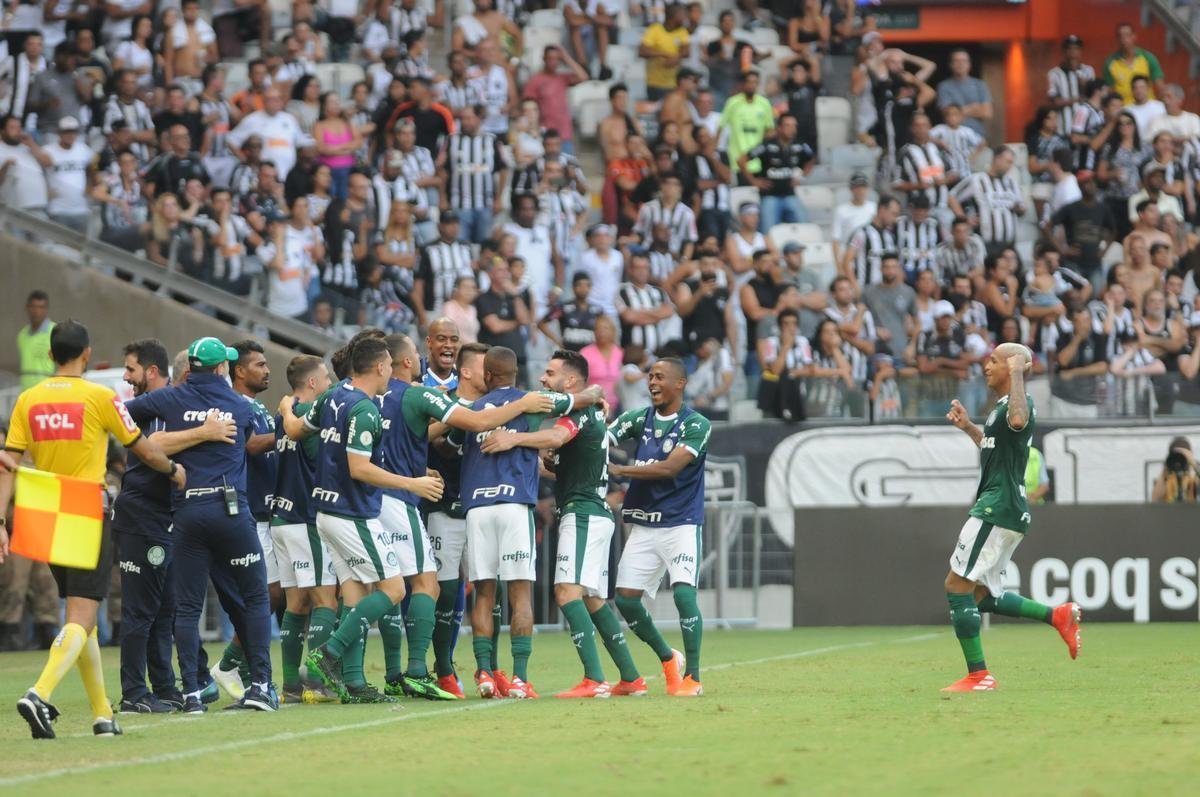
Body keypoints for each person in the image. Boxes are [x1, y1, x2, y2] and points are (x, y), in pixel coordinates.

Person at [4, 321, 184, 739]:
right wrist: (175, 469)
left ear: (50, 356)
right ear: (86, 354)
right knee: (84, 614)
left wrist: (0, 520)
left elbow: (8, 464)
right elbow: (143, 448)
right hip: (85, 509)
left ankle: (103, 714)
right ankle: (39, 693)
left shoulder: (27, 399)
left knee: (79, 615)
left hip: (43, 510)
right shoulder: (100, 397)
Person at [122, 337, 276, 714]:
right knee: (256, 596)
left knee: (187, 608)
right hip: (230, 511)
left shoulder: (170, 398)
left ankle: (191, 693)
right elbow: (267, 438)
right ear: (223, 368)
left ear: (190, 368)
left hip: (187, 514)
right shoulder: (240, 405)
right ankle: (260, 686)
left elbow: (120, 413)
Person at [480, 350, 646, 697]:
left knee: (566, 592)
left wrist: (513, 438)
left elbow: (555, 438)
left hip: (583, 513)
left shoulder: (581, 408)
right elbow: (559, 455)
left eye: (550, 372)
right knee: (592, 599)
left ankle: (594, 678)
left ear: (570, 381)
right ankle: (630, 677)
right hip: (592, 512)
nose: (543, 378)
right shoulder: (588, 409)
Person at [286, 336, 441, 704]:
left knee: (355, 593)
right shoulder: (365, 410)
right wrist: (412, 482)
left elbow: (295, 430)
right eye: (388, 364)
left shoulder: (332, 396)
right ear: (380, 367)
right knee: (395, 589)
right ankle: (327, 655)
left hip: (325, 512)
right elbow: (359, 468)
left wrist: (285, 407)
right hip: (352, 513)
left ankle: (354, 683)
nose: (391, 371)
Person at [941, 343, 1081, 692]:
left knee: (956, 586)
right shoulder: (1001, 408)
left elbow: (1019, 418)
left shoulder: (1020, 404)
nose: (986, 366)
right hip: (1006, 509)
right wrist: (970, 427)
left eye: (994, 361)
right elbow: (993, 445)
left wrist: (1019, 371)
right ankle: (1056, 615)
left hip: (996, 507)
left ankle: (979, 676)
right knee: (979, 595)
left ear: (1014, 366)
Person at [456, 346, 592, 698]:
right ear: (516, 372)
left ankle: (485, 674)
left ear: (487, 375)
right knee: (519, 593)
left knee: (484, 592)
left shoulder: (469, 411)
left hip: (477, 507)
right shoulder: (532, 401)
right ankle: (519, 677)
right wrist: (595, 394)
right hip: (514, 504)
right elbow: (574, 402)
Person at [113, 339, 229, 714]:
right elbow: (154, 443)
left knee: (165, 610)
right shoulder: (158, 405)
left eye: (130, 369)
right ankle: (133, 692)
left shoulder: (174, 403)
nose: (126, 377)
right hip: (141, 515)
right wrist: (204, 433)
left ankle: (164, 687)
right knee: (140, 611)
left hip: (168, 517)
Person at [607, 358, 708, 697]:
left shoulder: (696, 424)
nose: (652, 382)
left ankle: (693, 676)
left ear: (680, 384)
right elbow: (603, 437)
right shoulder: (639, 418)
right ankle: (668, 658)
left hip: (680, 524)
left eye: (660, 377)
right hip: (645, 525)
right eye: (650, 376)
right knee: (626, 601)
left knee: (682, 594)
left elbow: (669, 468)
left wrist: (621, 471)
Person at [208, 341, 280, 699]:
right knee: (260, 595)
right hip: (246, 510)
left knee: (274, 593)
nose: (267, 370)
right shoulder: (234, 406)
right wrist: (289, 430)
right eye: (260, 365)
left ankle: (239, 667)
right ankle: (237, 668)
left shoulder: (259, 406)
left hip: (270, 509)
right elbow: (251, 446)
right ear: (239, 371)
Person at [741, 112, 814, 231]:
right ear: (779, 128)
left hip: (790, 194)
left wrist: (802, 177)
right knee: (768, 231)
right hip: (770, 196)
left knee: (805, 226)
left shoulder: (799, 144)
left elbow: (811, 159)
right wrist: (753, 181)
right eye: (788, 126)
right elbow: (741, 160)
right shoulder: (767, 145)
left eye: (794, 126)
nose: (792, 129)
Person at [948, 146, 1026, 254]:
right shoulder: (977, 179)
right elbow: (952, 196)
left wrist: (1019, 209)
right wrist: (964, 219)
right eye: (1008, 161)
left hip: (1009, 243)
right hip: (985, 243)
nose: (1010, 166)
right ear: (997, 159)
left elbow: (1022, 208)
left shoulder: (1012, 183)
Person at [719, 70, 774, 184]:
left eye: (755, 82)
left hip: (759, 161)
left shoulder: (764, 103)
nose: (752, 85)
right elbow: (721, 127)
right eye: (749, 82)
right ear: (743, 84)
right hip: (737, 161)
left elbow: (769, 131)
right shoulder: (732, 103)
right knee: (742, 197)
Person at [540, 271, 604, 351]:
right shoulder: (563, 308)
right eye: (579, 285)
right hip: (569, 354)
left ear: (590, 288)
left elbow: (606, 328)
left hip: (590, 355)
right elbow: (541, 323)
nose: (583, 289)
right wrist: (557, 341)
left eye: (586, 285)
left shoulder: (597, 310)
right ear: (573, 288)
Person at [1103, 22, 1165, 104]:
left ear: (1134, 37)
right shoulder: (1110, 63)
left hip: (1148, 108)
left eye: (1127, 35)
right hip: (1125, 112)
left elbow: (1160, 88)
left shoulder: (1148, 58)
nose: (1124, 39)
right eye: (1120, 36)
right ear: (1117, 39)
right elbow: (1109, 93)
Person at [936, 49, 992, 137]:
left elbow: (987, 112)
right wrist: (974, 107)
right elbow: (948, 114)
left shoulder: (980, 85)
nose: (960, 64)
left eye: (964, 61)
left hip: (977, 135)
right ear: (951, 65)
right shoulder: (944, 86)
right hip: (952, 137)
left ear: (969, 64)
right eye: (957, 61)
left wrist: (958, 111)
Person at [640, 3, 690, 102]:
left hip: (674, 84)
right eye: (682, 15)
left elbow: (686, 51)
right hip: (654, 84)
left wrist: (676, 57)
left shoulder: (682, 31)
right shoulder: (654, 29)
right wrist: (665, 54)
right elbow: (642, 51)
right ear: (673, 15)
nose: (685, 18)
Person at [1047, 34, 1095, 137]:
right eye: (1069, 49)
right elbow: (1054, 102)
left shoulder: (1088, 71)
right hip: (1064, 129)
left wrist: (1085, 86)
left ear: (1081, 51)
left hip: (1086, 129)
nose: (1073, 52)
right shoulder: (1055, 74)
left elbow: (1095, 98)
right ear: (1064, 52)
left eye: (1076, 49)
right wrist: (1076, 99)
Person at [17, 290, 54, 390]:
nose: (36, 311)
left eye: (41, 307)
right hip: (26, 392)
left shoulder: (55, 332)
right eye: (33, 307)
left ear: (46, 309)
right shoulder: (22, 335)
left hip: (47, 391)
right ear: (27, 308)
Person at [1151, 437, 1199, 503]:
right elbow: (1155, 500)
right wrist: (1167, 467)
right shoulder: (1166, 479)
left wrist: (1194, 463)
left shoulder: (1193, 479)